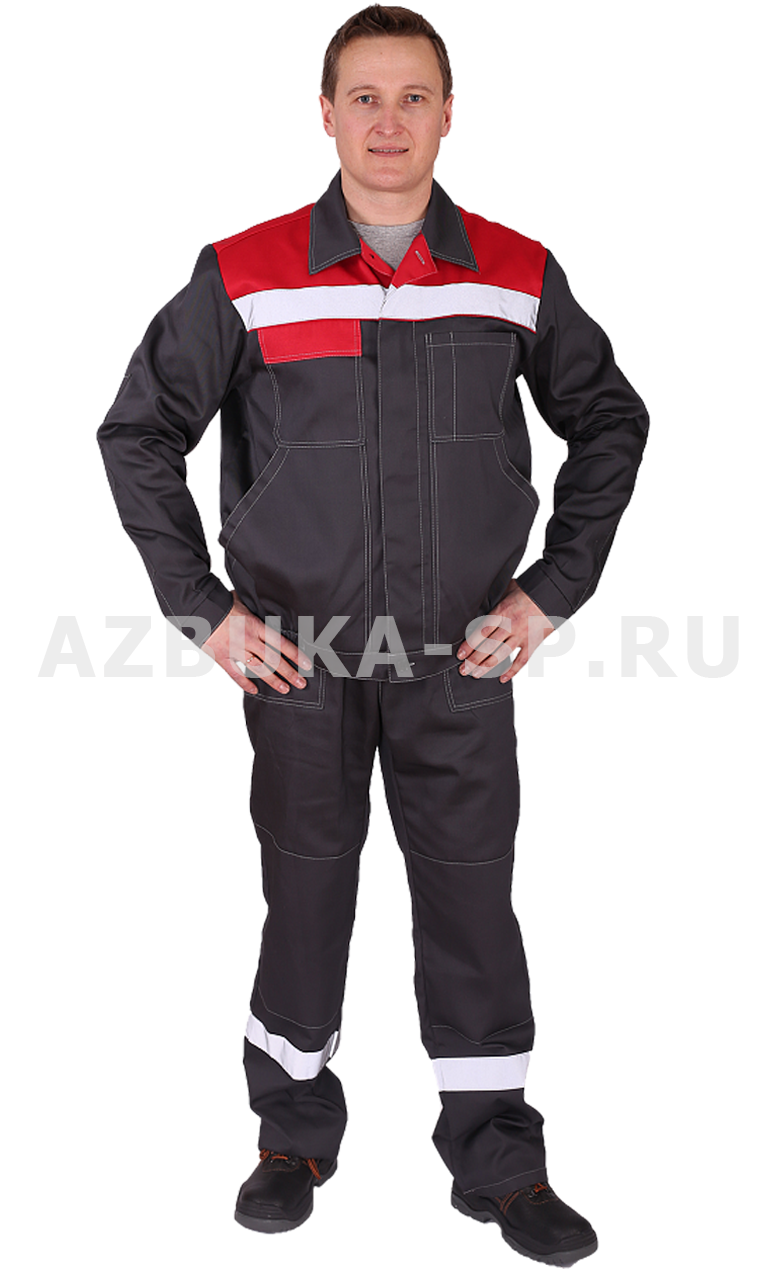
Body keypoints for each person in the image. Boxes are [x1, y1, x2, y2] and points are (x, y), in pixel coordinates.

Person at [97, 6, 647, 1264]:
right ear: (327, 116)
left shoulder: (514, 268)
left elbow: (608, 422)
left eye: (413, 98)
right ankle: (294, 1135)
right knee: (304, 890)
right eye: (365, 97)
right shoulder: (248, 269)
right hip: (300, 655)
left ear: (450, 117)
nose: (388, 122)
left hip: (463, 653)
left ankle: (497, 1154)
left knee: (472, 896)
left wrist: (551, 592)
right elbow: (138, 433)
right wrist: (208, 612)